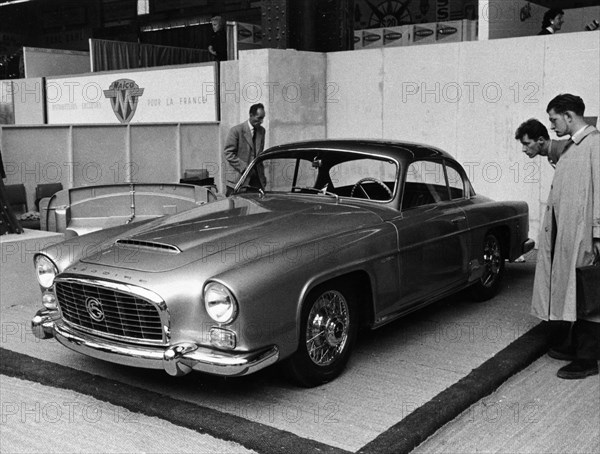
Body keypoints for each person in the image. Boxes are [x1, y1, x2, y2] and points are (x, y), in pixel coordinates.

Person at [531, 94, 600, 379]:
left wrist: (597, 234)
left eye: (554, 119)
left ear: (569, 116)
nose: (551, 125)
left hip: (584, 234)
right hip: (570, 232)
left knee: (589, 292)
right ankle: (577, 345)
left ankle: (587, 359)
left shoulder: (594, 145)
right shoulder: (575, 146)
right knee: (577, 289)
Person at [223, 103, 267, 196]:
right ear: (251, 115)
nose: (261, 121)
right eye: (259, 118)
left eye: (263, 118)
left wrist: (262, 177)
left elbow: (260, 155)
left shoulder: (262, 131)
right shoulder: (236, 130)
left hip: (255, 180)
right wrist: (245, 168)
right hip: (237, 179)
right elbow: (229, 153)